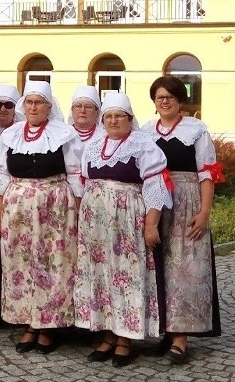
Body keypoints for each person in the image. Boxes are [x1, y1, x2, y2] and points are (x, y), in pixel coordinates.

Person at [74, 92, 172, 367]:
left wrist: (151, 225)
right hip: (96, 225)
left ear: (130, 119)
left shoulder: (144, 146)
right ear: (103, 120)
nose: (114, 120)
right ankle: (106, 334)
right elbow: (83, 184)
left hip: (128, 223)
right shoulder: (94, 145)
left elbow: (156, 187)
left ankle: (125, 338)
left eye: (120, 116)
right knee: (100, 277)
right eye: (109, 116)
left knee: (126, 277)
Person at [0, 81, 80, 354]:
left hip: (56, 208)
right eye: (29, 102)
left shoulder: (64, 134)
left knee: (54, 264)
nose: (33, 107)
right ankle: (29, 323)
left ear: (49, 106)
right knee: (21, 263)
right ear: (22, 105)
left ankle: (49, 326)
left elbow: (75, 175)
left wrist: (77, 213)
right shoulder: (11, 135)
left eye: (39, 102)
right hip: (18, 211)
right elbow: (2, 174)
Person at [141, 76, 222, 364]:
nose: (165, 101)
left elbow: (207, 173)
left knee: (185, 269)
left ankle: (181, 337)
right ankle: (164, 328)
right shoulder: (146, 131)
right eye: (160, 97)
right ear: (154, 102)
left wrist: (204, 212)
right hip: (154, 204)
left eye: (170, 97)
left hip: (186, 202)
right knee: (158, 266)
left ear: (180, 101)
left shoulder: (196, 130)